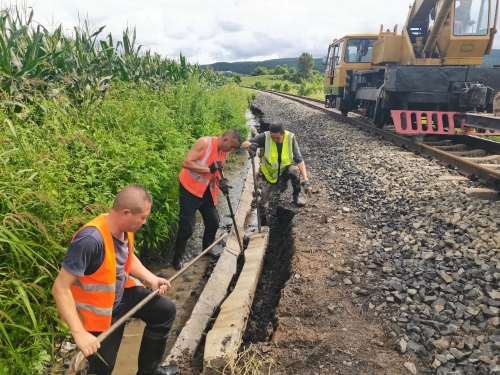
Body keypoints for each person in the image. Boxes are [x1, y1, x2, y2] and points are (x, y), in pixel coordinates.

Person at [52, 184, 179, 375]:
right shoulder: (90, 240)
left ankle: (149, 371)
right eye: (143, 217)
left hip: (121, 297)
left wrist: (150, 278)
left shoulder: (124, 229)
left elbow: (126, 257)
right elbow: (60, 289)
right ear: (126, 213)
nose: (144, 222)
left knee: (164, 311)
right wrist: (79, 333)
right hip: (99, 313)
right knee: (103, 368)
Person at [172, 129, 242, 270]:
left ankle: (206, 250)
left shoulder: (224, 151)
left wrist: (223, 183)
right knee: (187, 229)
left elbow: (218, 170)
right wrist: (209, 169)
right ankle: (176, 261)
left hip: (207, 191)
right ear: (225, 140)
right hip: (190, 189)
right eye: (232, 146)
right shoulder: (204, 143)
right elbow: (186, 163)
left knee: (213, 222)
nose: (232, 149)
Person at [242, 123, 312, 222]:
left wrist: (306, 180)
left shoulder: (290, 138)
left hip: (285, 170)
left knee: (294, 170)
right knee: (262, 203)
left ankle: (296, 196)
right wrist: (251, 146)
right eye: (272, 137)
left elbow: (299, 159)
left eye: (277, 138)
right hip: (269, 174)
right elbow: (244, 144)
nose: (274, 140)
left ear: (283, 133)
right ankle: (263, 222)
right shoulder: (264, 137)